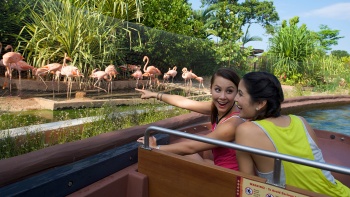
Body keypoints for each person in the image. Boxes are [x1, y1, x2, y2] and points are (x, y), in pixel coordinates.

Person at [234, 71, 350, 196]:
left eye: (240, 94)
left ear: (260, 103)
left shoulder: (245, 131)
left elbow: (248, 186)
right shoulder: (300, 121)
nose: (235, 98)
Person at [136, 68, 245, 171]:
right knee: (196, 154)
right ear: (211, 89)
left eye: (229, 91)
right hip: (221, 166)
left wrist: (156, 147)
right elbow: (184, 102)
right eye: (218, 90)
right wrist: (155, 94)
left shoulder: (233, 123)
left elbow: (191, 147)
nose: (222, 97)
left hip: (231, 176)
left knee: (187, 153)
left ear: (237, 93)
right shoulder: (217, 109)